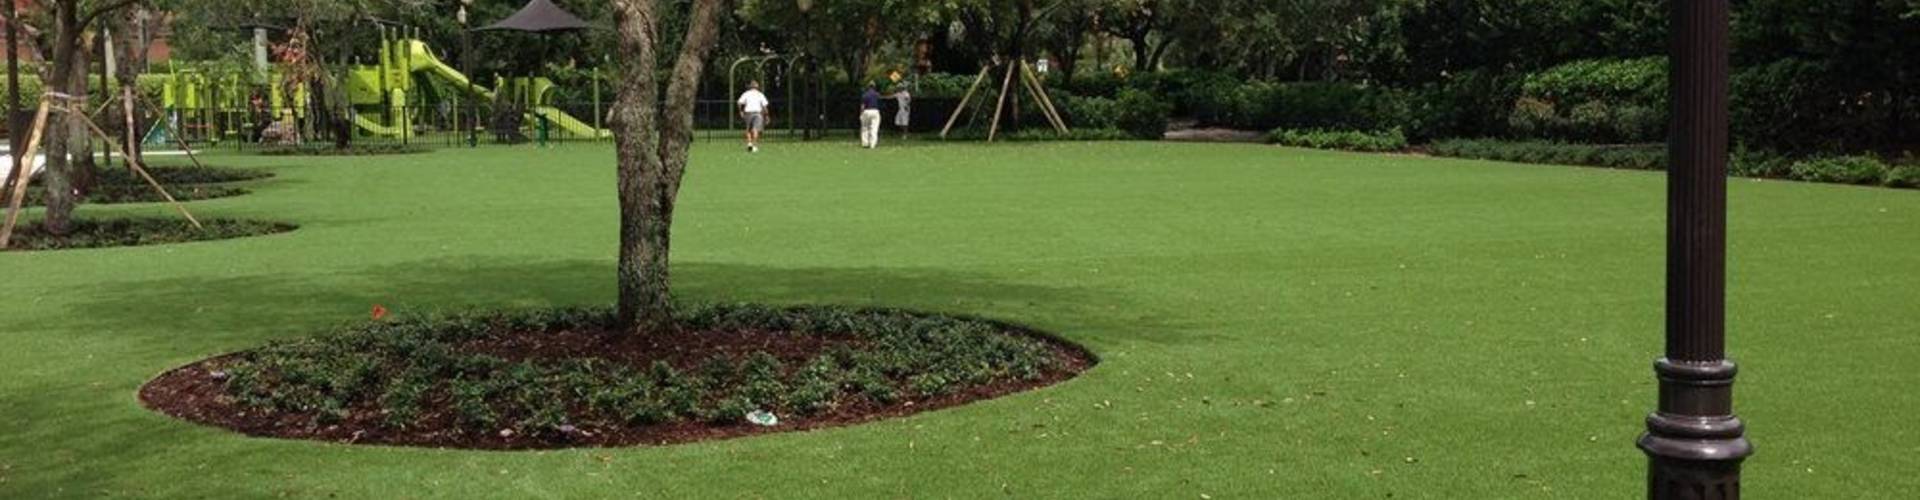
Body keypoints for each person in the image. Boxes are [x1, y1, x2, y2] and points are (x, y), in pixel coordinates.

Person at [737, 81, 771, 152]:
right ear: (757, 87)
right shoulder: (760, 94)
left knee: (748, 130)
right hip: (758, 113)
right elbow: (764, 106)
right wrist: (767, 115)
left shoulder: (746, 94)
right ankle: (754, 146)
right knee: (756, 130)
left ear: (750, 87)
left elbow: (739, 102)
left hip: (748, 113)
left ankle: (749, 143)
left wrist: (741, 111)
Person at [859, 84, 883, 149]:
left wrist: (861, 113)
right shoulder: (877, 94)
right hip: (875, 111)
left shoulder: (865, 95)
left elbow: (862, 106)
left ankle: (865, 143)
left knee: (865, 128)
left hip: (867, 111)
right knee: (874, 128)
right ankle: (873, 144)